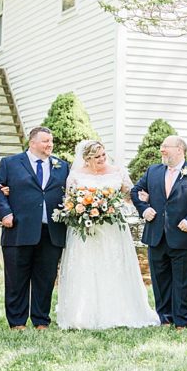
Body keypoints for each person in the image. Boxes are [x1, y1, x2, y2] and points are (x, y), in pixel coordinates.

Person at [53, 140, 159, 329]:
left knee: (114, 264)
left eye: (103, 155)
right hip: (87, 229)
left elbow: (130, 194)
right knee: (87, 266)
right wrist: (83, 208)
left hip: (113, 229)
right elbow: (69, 200)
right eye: (97, 157)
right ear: (87, 159)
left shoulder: (117, 171)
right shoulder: (76, 174)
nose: (102, 159)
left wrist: (143, 199)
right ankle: (83, 314)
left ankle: (120, 312)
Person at [130, 135, 187, 330]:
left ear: (180, 150)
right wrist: (144, 209)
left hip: (184, 237)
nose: (162, 150)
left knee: (183, 282)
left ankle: (181, 322)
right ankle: (165, 319)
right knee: (160, 281)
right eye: (162, 146)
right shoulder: (153, 171)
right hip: (156, 236)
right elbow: (135, 192)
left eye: (165, 146)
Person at [0, 126, 68, 330]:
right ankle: (17, 322)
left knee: (46, 278)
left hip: (51, 231)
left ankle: (41, 320)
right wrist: (5, 213)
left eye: (51, 141)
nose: (49, 144)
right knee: (17, 278)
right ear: (32, 143)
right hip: (18, 229)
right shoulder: (10, 163)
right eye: (45, 141)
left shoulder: (62, 166)